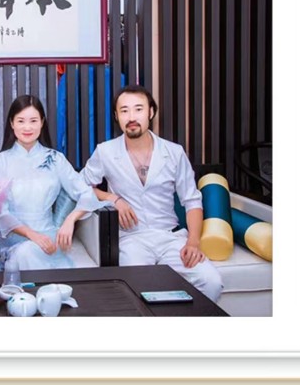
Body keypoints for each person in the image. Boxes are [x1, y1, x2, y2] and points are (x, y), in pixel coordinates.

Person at [80, 85, 223, 302]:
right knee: (137, 286)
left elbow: (192, 201)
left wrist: (193, 242)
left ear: (151, 112)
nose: (131, 117)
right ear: (117, 116)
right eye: (124, 110)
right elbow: (79, 186)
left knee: (211, 281)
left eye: (138, 109)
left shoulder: (173, 152)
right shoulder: (105, 151)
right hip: (131, 239)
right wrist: (113, 198)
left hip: (170, 237)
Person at [0, 95, 104, 271]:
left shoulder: (56, 159)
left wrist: (70, 220)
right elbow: (1, 213)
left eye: (33, 121)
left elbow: (86, 193)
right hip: (12, 239)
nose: (27, 127)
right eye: (21, 121)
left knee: (28, 252)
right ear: (12, 123)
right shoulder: (0, 161)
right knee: (25, 252)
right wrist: (32, 235)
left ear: (42, 122)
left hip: (48, 238)